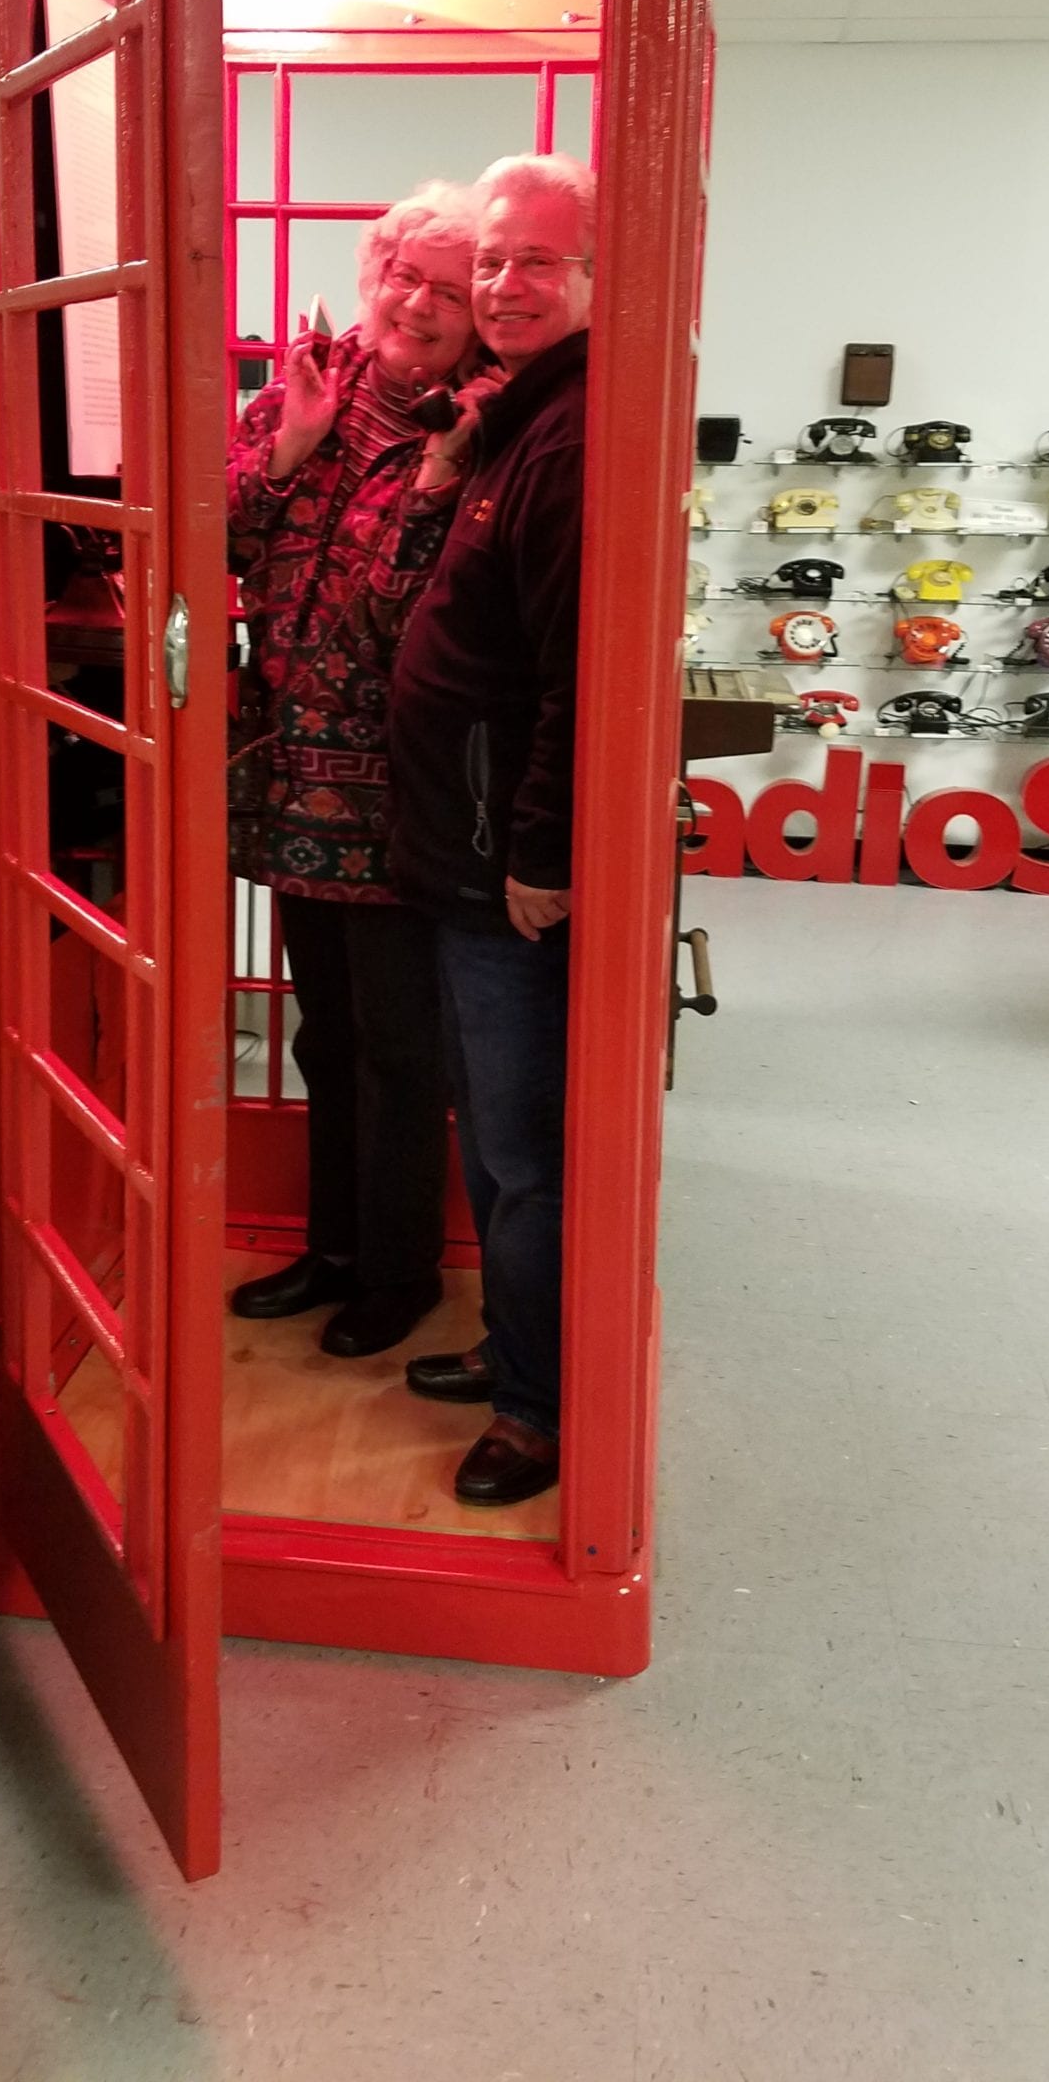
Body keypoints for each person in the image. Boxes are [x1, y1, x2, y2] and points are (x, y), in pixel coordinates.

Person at [226, 184, 487, 1357]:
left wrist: (433, 485)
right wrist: (289, 444)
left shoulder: (478, 426)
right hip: (286, 773)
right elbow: (205, 535)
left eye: (449, 287)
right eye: (403, 275)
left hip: (399, 784)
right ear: (371, 272)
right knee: (322, 1036)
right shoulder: (306, 382)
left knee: (397, 1042)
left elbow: (415, 610)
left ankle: (400, 1268)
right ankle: (330, 1248)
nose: (417, 304)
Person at [388, 153, 595, 1505]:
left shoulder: (573, 439)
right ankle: (516, 1345)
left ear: (596, 279)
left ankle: (536, 1407)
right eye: (495, 260)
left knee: (522, 1156)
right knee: (488, 1129)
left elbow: (577, 667)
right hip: (457, 850)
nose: (502, 284)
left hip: (497, 862)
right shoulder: (516, 419)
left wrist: (541, 852)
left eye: (539, 261)